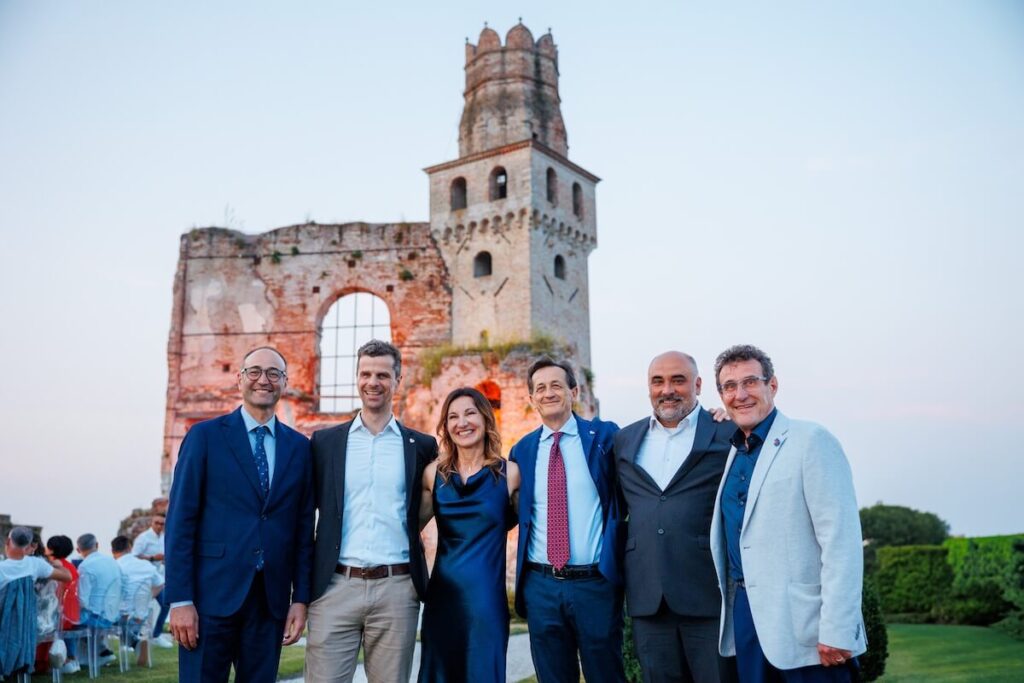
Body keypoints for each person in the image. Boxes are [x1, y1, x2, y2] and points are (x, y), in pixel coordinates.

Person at [709, 345, 865, 682]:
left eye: (750, 382)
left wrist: (837, 628)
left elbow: (841, 541)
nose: (740, 395)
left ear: (772, 386)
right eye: (729, 387)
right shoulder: (734, 454)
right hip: (748, 623)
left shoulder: (811, 440)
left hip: (807, 629)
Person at [165, 346, 314, 683]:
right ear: (240, 379)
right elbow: (180, 523)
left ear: (285, 382)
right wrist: (180, 600)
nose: (264, 379)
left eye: (274, 373)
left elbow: (304, 531)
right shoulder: (205, 436)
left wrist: (300, 599)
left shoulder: (300, 448)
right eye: (255, 371)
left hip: (270, 602)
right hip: (208, 600)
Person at [305, 339, 438, 683]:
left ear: (397, 379)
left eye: (382, 374)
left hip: (397, 587)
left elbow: (426, 510)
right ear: (357, 378)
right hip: (335, 586)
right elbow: (306, 516)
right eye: (365, 374)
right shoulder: (325, 443)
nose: (373, 382)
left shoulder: (422, 446)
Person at [615, 351, 737, 683]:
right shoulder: (624, 440)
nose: (667, 389)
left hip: (707, 593)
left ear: (697, 385)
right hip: (648, 598)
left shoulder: (727, 433)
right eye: (658, 381)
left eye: (678, 380)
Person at [509, 357, 624, 683]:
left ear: (573, 391)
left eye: (556, 385)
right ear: (531, 398)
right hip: (542, 586)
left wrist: (713, 418)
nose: (548, 393)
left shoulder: (604, 438)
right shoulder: (522, 450)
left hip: (595, 584)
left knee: (606, 675)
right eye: (540, 388)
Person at [417, 387, 521, 683]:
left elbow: (524, 526)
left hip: (486, 601)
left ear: (486, 419)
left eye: (470, 413)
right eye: (453, 417)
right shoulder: (433, 474)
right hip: (442, 599)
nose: (462, 422)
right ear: (446, 427)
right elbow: (409, 530)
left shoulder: (510, 474)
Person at [76, 533, 123, 666]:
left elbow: (82, 600)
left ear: (78, 550)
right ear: (97, 545)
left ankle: (73, 659)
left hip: (97, 619)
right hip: (114, 615)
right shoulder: (112, 562)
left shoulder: (84, 566)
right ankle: (101, 651)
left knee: (69, 620)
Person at [112, 535, 163, 650]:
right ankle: (135, 642)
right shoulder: (145, 565)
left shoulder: (115, 566)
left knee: (102, 618)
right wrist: (148, 598)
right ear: (129, 548)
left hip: (121, 617)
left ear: (113, 551)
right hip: (141, 616)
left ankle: (103, 652)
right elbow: (160, 584)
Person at [132, 514, 173, 647]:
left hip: (158, 578)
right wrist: (152, 558)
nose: (160, 526)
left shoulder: (164, 537)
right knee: (140, 608)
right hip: (143, 579)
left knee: (166, 604)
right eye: (157, 523)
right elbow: (134, 557)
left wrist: (164, 559)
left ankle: (156, 634)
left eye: (162, 524)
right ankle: (132, 639)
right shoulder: (143, 538)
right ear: (151, 522)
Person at [44, 535, 82, 674]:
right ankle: (71, 659)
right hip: (72, 615)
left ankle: (53, 662)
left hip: (58, 617)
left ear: (51, 550)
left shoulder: (53, 568)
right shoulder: (71, 567)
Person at [0, 527, 72, 589]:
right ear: (30, 545)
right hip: (27, 605)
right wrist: (58, 565)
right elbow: (68, 576)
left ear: (8, 541)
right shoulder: (36, 564)